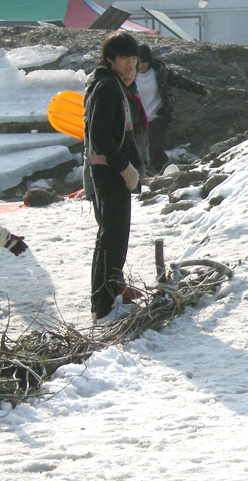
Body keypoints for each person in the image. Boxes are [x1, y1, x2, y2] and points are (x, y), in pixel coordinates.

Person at [84, 31, 144, 323]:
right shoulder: (107, 86)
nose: (130, 63)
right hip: (109, 171)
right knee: (112, 236)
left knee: (114, 234)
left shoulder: (115, 84)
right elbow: (99, 135)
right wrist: (124, 167)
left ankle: (113, 289)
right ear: (110, 59)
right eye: (124, 58)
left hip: (113, 170)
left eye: (133, 57)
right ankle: (104, 304)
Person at [135, 44, 212, 174]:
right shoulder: (130, 75)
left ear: (149, 61)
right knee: (153, 149)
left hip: (159, 117)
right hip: (139, 120)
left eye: (143, 62)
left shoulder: (160, 72)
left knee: (147, 145)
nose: (140, 66)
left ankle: (143, 174)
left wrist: (202, 90)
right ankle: (169, 170)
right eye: (138, 62)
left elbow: (181, 81)